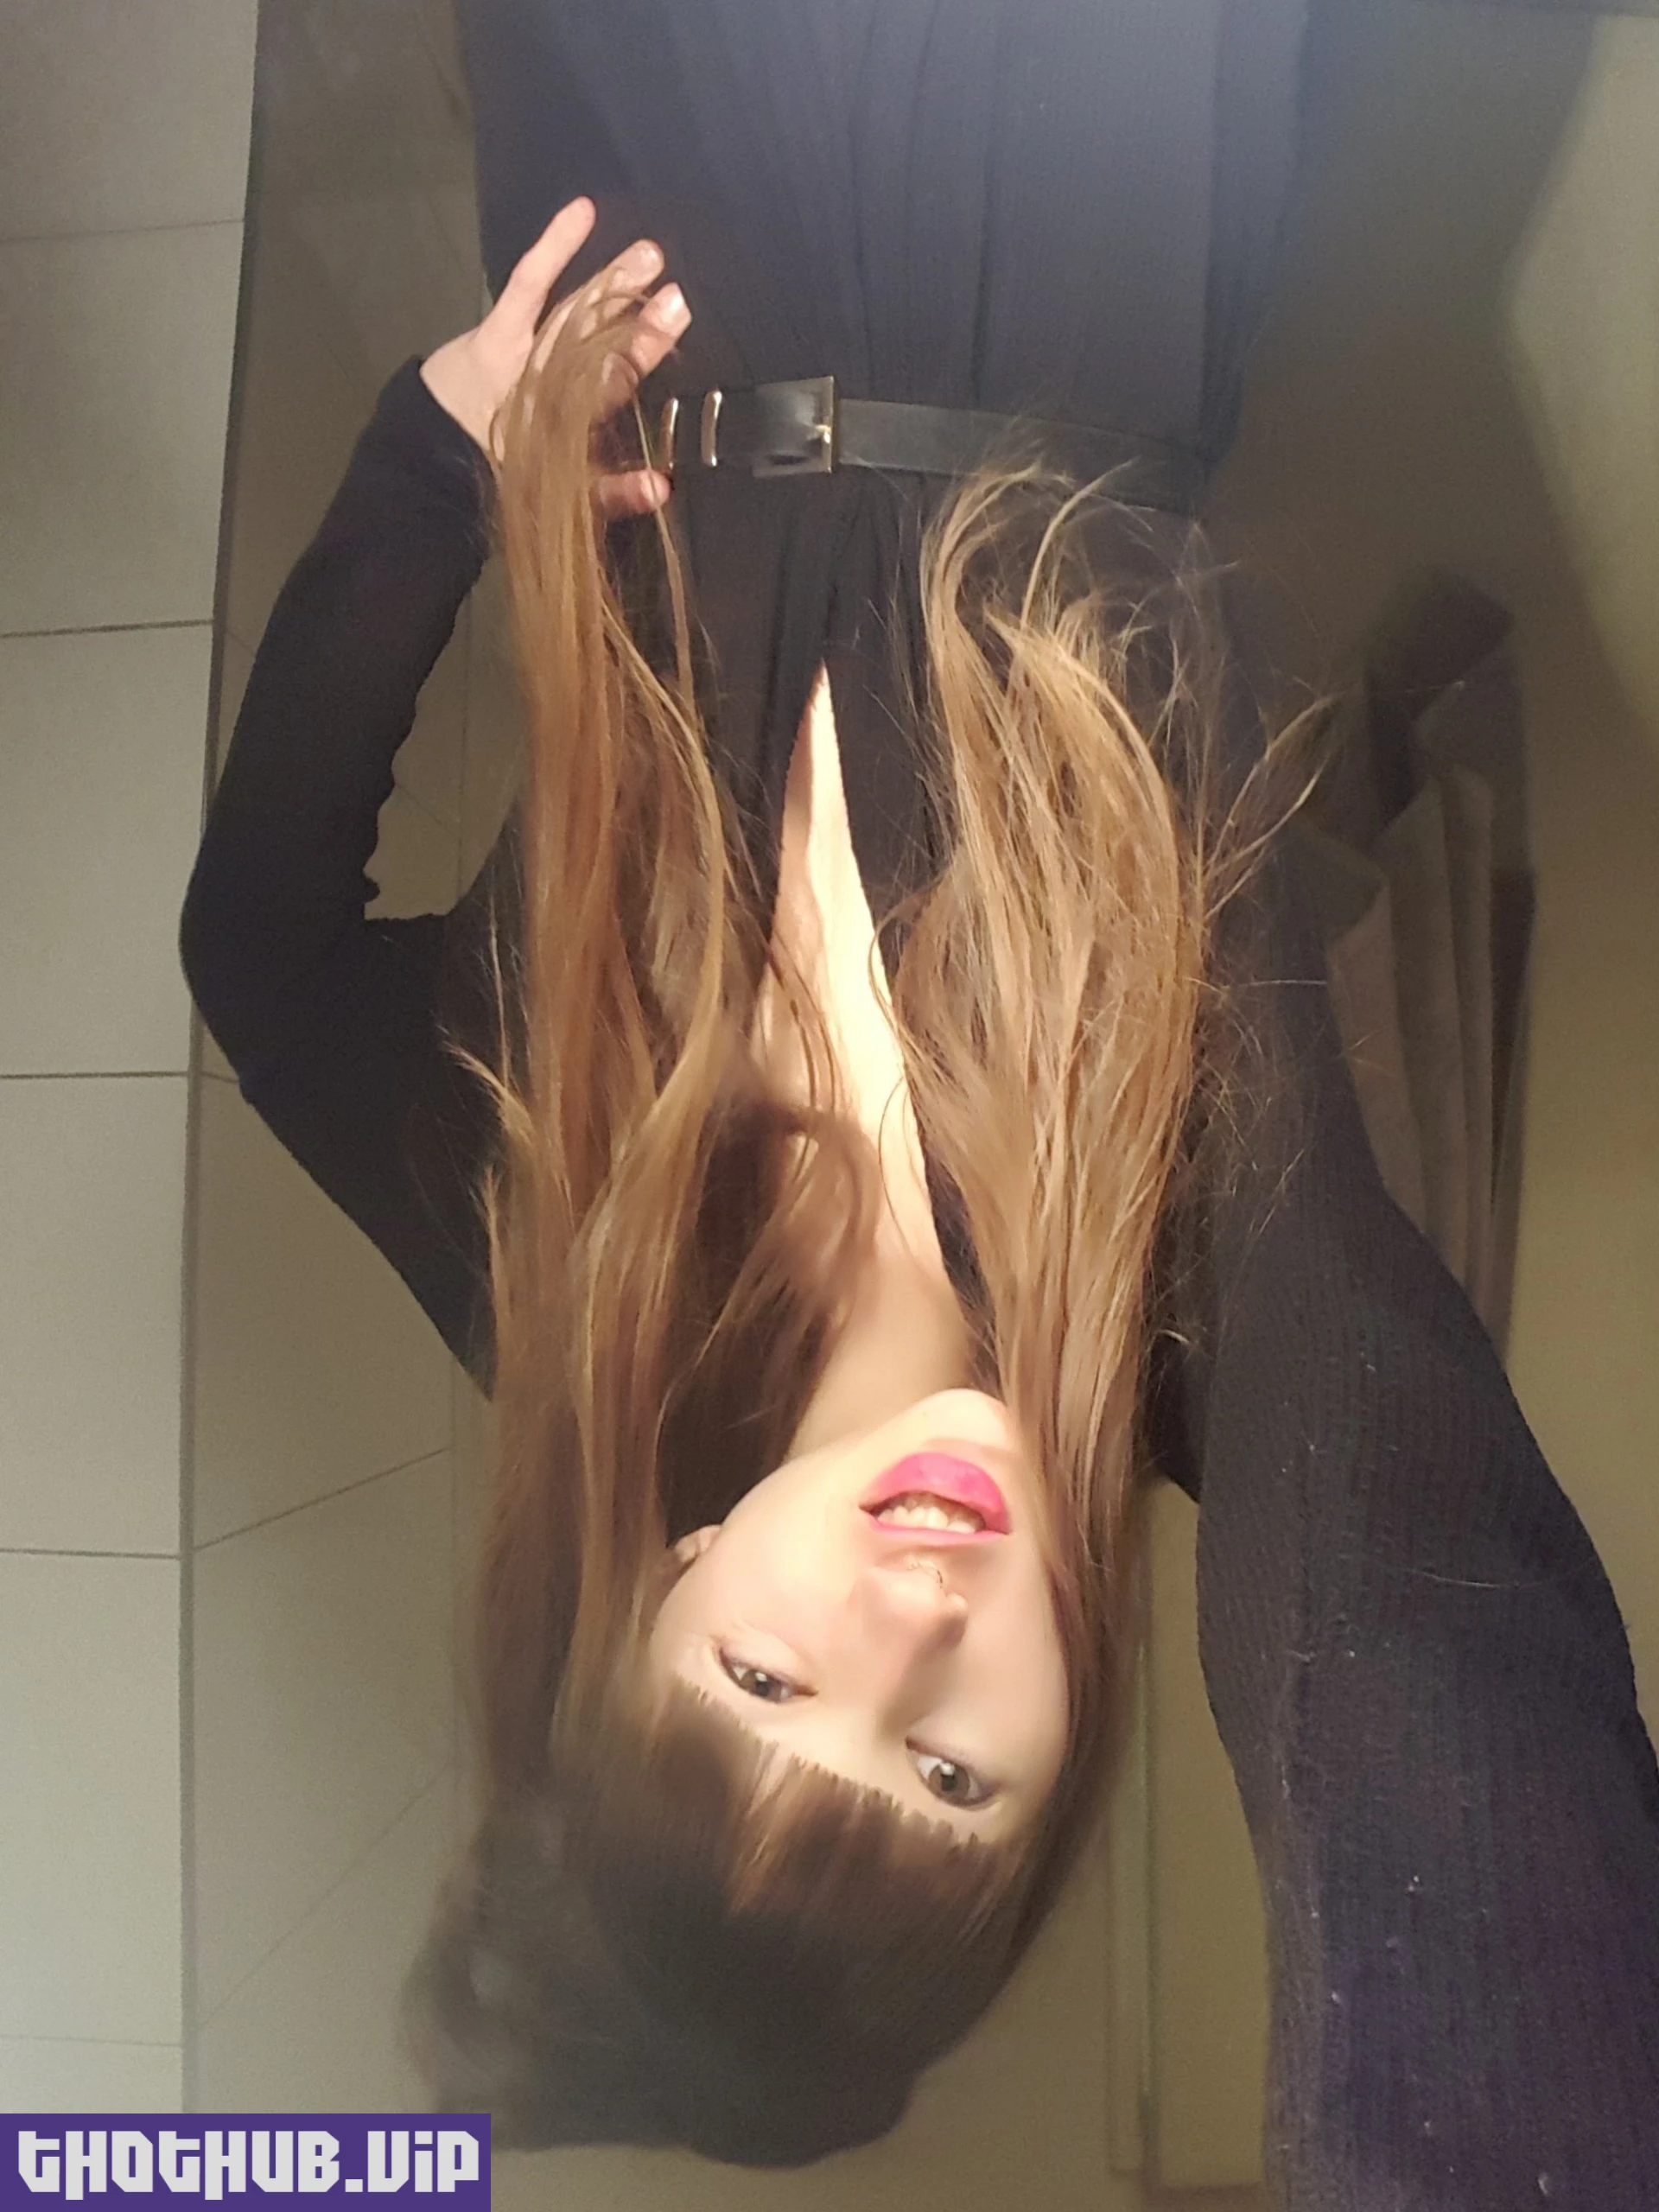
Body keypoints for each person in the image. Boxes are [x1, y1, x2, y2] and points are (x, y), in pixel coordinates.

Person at [179, 0, 1659, 2196]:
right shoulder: (1207, 1305)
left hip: (669, 168)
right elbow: (1418, 1650)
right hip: (1078, 181)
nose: (907, 1616)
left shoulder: (550, 1260)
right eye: (953, 1773)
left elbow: (259, 952)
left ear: (670, 1586)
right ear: (1057, 1788)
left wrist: (434, 462)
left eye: (766, 1682)